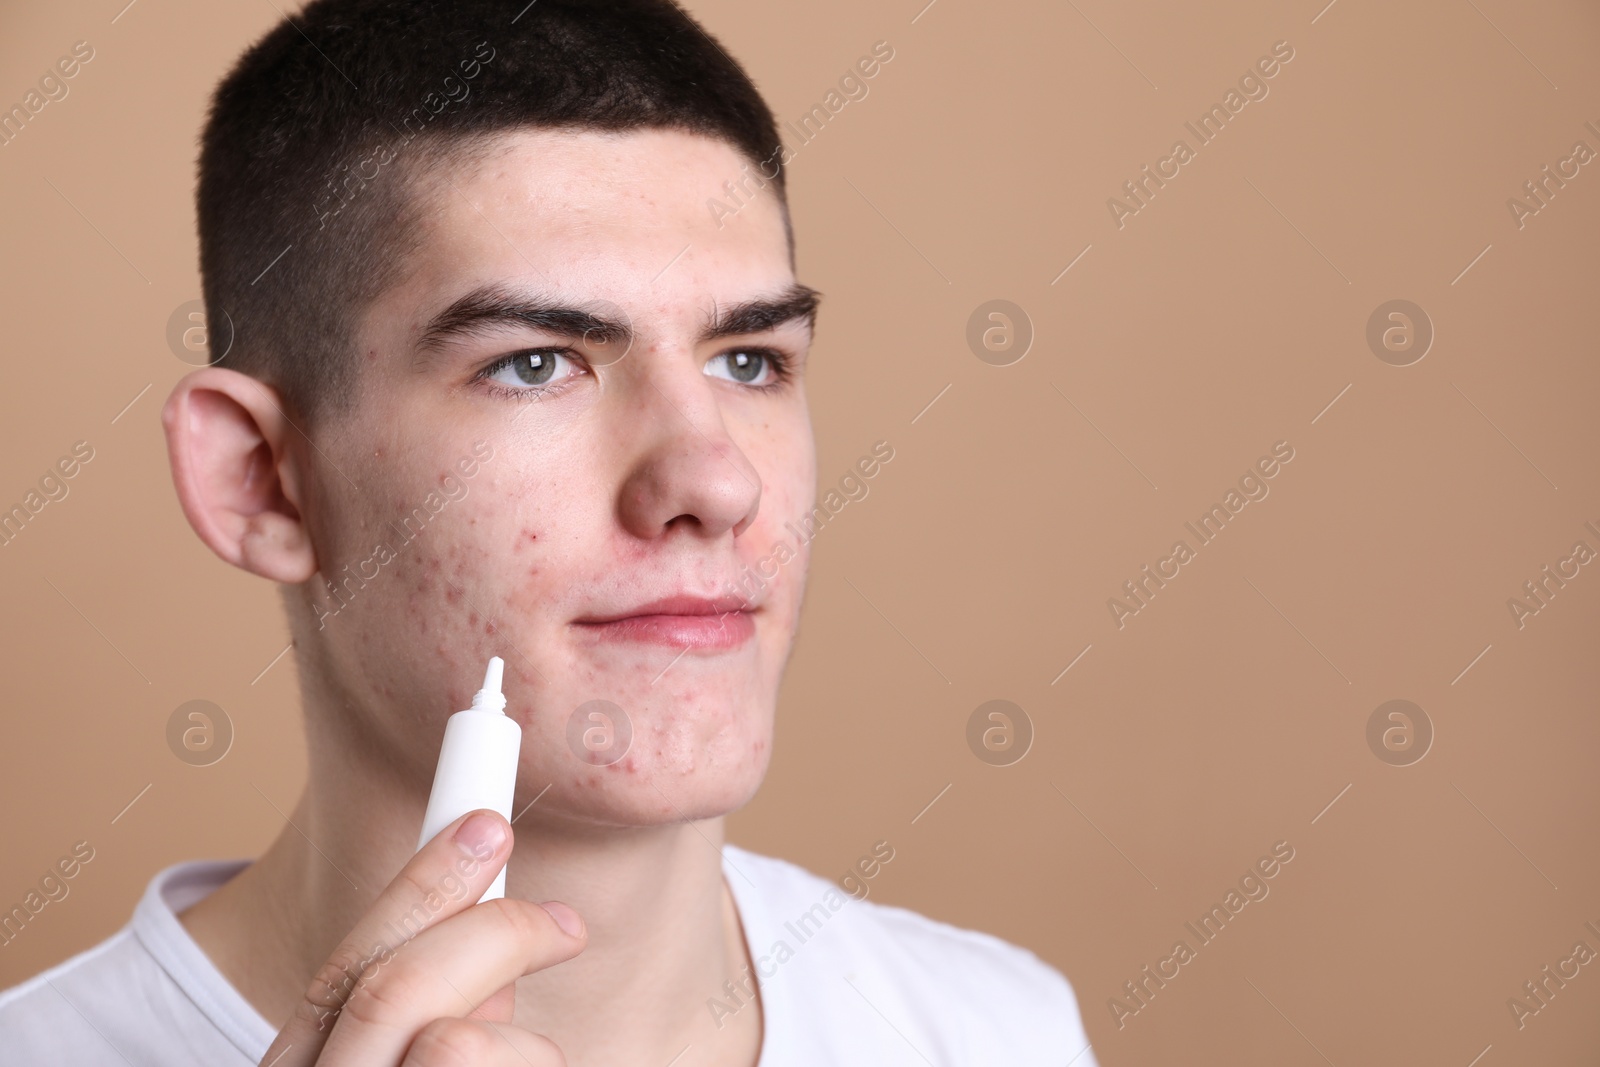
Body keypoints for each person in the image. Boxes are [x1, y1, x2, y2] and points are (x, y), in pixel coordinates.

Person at [0, 1, 1097, 1063]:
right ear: (263, 483)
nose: (714, 481)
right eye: (534, 363)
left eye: (748, 360)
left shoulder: (995, 1031)